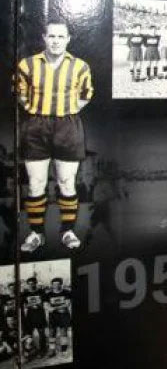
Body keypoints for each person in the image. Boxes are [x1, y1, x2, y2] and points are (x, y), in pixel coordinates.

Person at [16, 22, 93, 252]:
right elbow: (20, 94)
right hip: (36, 126)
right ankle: (36, 233)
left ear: (68, 39)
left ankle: (67, 231)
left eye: (61, 36)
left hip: (67, 126)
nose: (56, 41)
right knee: (36, 184)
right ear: (44, 38)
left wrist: (66, 111)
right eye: (51, 36)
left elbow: (85, 95)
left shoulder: (80, 66)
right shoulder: (27, 64)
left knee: (67, 182)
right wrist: (36, 110)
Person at [45, 277, 72, 357]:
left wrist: (54, 308)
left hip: (64, 316)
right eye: (54, 284)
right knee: (52, 333)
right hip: (53, 316)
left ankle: (64, 350)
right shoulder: (48, 294)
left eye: (58, 284)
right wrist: (53, 308)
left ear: (61, 284)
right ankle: (52, 350)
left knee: (63, 333)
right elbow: (46, 305)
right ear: (52, 285)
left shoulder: (66, 292)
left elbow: (67, 304)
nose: (56, 286)